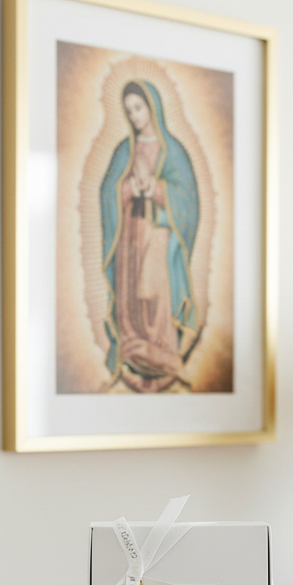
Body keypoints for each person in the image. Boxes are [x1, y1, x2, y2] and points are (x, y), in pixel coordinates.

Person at [100, 80, 200, 392]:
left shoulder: (174, 152)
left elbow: (187, 200)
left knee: (155, 295)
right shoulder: (123, 151)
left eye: (138, 108)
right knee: (131, 293)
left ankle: (162, 350)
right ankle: (132, 344)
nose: (134, 116)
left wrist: (156, 188)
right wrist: (128, 188)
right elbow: (108, 192)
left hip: (158, 236)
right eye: (128, 110)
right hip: (129, 236)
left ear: (152, 107)